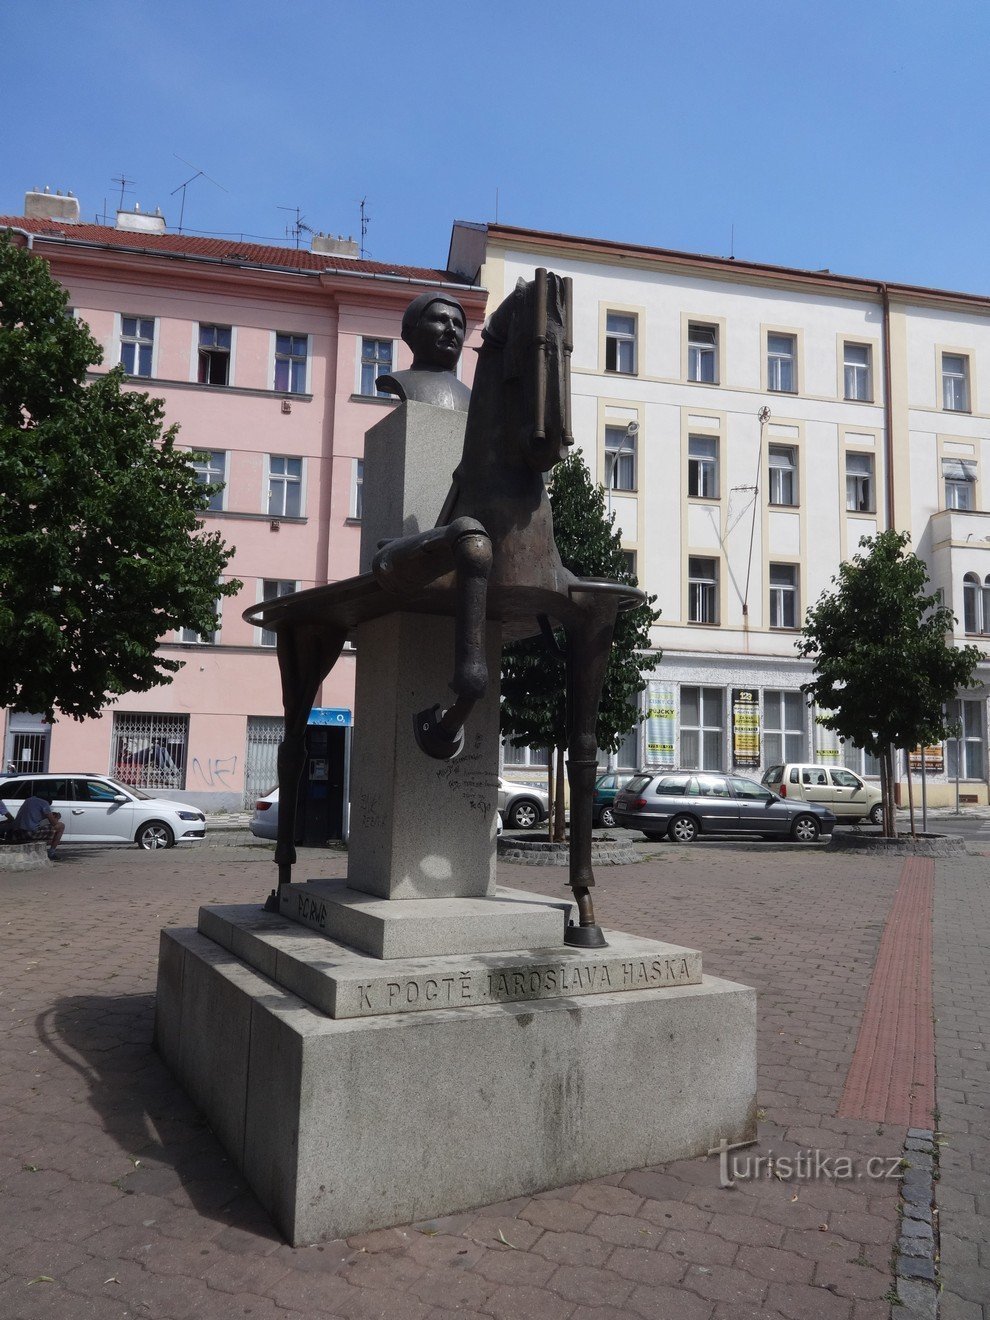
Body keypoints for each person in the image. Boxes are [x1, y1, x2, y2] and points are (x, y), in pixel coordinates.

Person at [376, 292, 472, 411]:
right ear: (409, 333)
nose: (451, 329)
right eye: (440, 320)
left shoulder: (472, 398)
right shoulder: (400, 381)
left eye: (458, 325)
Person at [14, 792, 65, 859]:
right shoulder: (44, 803)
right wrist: (56, 817)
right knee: (61, 826)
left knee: (45, 827)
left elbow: (33, 815)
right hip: (30, 833)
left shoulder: (28, 800)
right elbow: (54, 823)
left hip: (17, 832)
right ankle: (51, 853)